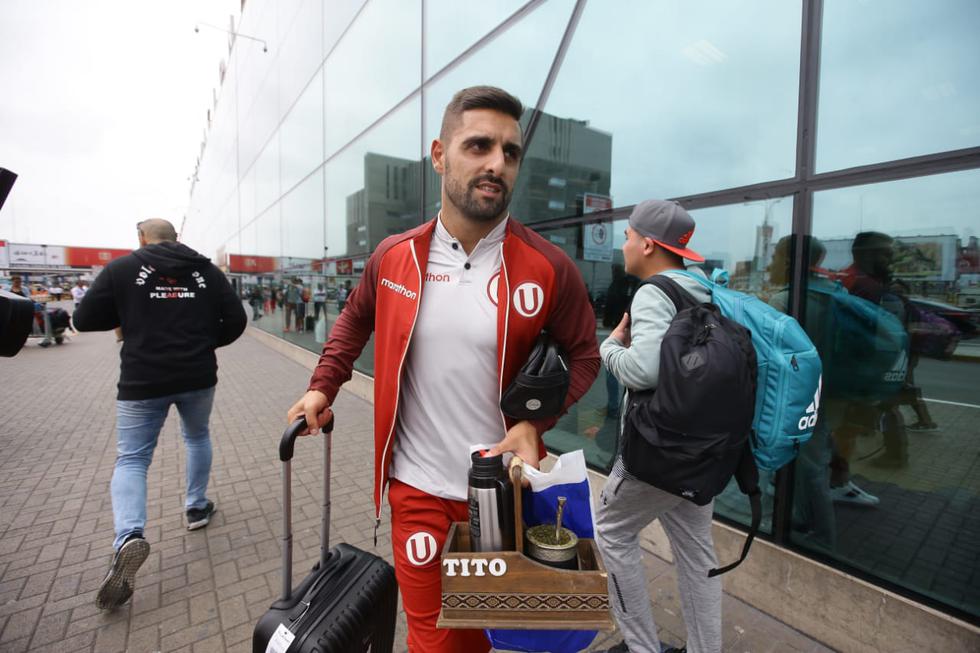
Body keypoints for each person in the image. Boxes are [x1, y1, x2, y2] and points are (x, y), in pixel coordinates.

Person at [286, 86, 599, 653]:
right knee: (435, 640)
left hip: (504, 493)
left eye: (510, 152)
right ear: (438, 154)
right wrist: (321, 387)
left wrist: (535, 424)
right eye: (478, 145)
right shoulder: (393, 255)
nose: (496, 164)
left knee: (496, 637)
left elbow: (585, 355)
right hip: (418, 492)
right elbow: (354, 322)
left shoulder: (550, 267)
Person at [74, 218, 247, 611]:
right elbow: (237, 320)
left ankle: (129, 536)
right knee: (197, 437)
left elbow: (82, 320)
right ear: (177, 238)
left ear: (141, 238)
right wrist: (204, 342)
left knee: (133, 458)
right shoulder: (206, 270)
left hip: (142, 379)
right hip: (197, 374)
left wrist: (132, 319)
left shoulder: (122, 269)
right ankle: (196, 507)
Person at [595, 200, 714, 653]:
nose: (624, 243)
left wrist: (609, 347)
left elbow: (644, 372)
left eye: (627, 235)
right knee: (697, 555)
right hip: (703, 449)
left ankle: (643, 648)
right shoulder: (704, 288)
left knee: (611, 530)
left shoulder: (652, 291)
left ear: (647, 243)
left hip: (656, 452)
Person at [12, 275, 53, 347]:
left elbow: (29, 298)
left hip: (23, 310)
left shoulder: (24, 289)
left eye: (19, 282)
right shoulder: (8, 289)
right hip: (13, 311)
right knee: (13, 326)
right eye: (16, 282)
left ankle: (22, 340)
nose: (18, 283)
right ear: (12, 282)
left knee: (23, 326)